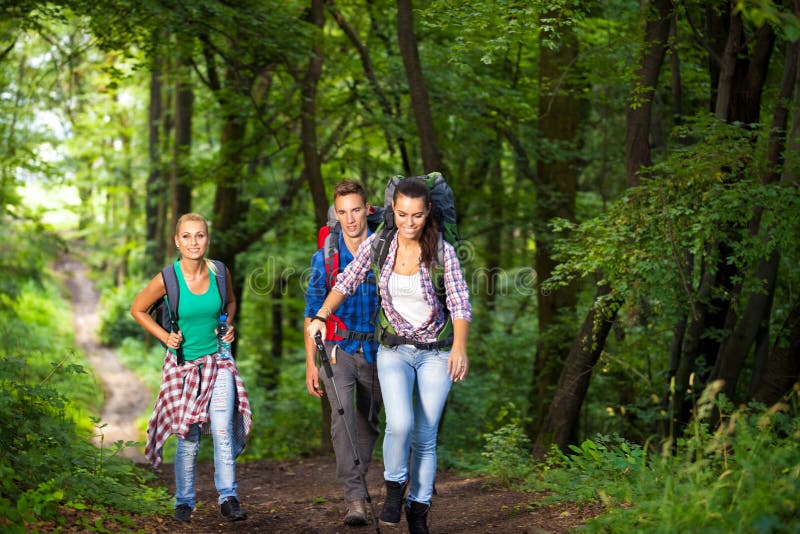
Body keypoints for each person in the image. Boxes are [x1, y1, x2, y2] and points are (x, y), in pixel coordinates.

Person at [307, 178, 471, 534]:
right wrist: (321, 316)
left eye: (416, 216)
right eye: (401, 214)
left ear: (428, 214)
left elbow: (459, 302)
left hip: (435, 354)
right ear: (391, 212)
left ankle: (418, 508)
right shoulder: (379, 245)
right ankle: (395, 487)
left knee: (425, 436)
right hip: (394, 349)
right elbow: (345, 281)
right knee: (401, 425)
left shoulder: (443, 252)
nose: (408, 223)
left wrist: (459, 347)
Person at [131, 213, 252, 524]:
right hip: (183, 366)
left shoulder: (220, 273)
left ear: (207, 239)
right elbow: (137, 309)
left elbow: (231, 304)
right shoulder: (168, 279)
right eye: (187, 236)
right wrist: (165, 336)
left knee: (223, 429)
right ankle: (184, 501)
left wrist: (227, 325)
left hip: (218, 361)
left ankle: (229, 497)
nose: (193, 242)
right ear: (177, 241)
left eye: (199, 235)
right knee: (189, 437)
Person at [304, 180, 382, 526]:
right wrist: (310, 362)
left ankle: (358, 485)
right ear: (335, 215)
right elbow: (312, 310)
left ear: (367, 209)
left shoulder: (387, 249)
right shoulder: (326, 256)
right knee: (343, 421)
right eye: (342, 212)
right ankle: (354, 499)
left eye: (355, 210)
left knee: (367, 425)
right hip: (336, 349)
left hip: (380, 349)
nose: (350, 219)